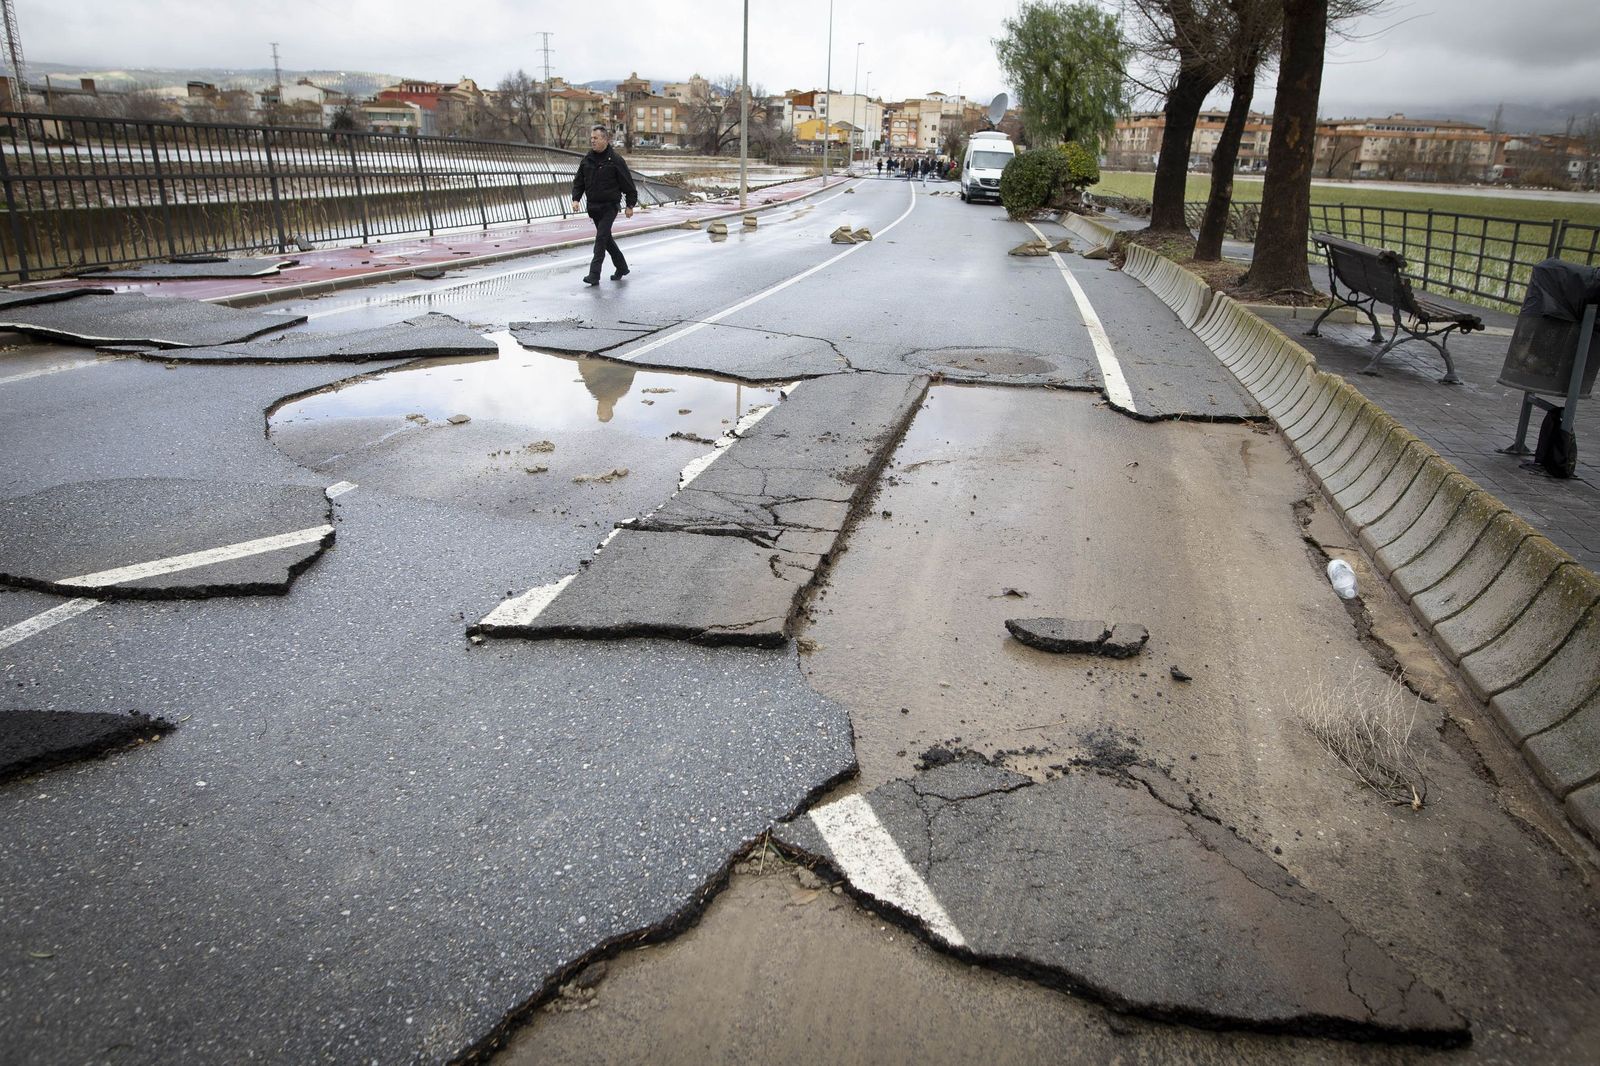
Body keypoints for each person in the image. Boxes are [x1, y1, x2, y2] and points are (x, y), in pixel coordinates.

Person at [570, 125, 638, 286]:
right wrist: (576, 199)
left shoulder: (615, 160)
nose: (592, 141)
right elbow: (579, 181)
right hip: (593, 207)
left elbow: (628, 185)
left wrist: (630, 205)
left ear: (605, 140)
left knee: (600, 238)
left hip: (610, 206)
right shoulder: (587, 159)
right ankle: (621, 267)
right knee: (606, 239)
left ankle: (594, 275)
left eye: (596, 138)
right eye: (591, 138)